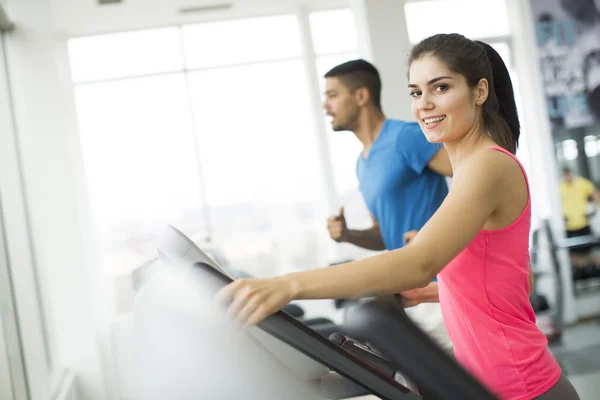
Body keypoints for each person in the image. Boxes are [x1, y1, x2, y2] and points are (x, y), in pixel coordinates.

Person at [217, 33, 580, 399]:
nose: (424, 104)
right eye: (415, 92)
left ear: (480, 91)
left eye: (440, 88)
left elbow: (419, 261)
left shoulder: (488, 165)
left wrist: (287, 285)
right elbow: (521, 278)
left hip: (524, 389)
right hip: (488, 386)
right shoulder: (475, 169)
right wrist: (436, 292)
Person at [322, 59, 454, 352]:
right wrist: (348, 235)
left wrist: (433, 235)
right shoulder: (362, 163)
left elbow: (473, 181)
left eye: (332, 95)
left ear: (361, 96)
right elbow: (385, 235)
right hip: (408, 294)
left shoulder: (405, 137)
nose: (325, 105)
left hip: (441, 289)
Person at [559, 166, 600, 269]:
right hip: (569, 226)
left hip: (584, 223)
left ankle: (593, 270)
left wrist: (596, 210)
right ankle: (579, 271)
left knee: (591, 251)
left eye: (568, 174)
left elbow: (595, 194)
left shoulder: (582, 183)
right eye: (565, 175)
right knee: (574, 255)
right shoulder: (559, 187)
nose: (567, 177)